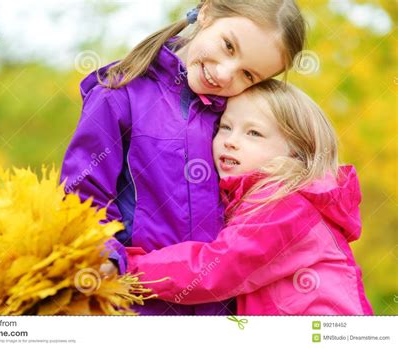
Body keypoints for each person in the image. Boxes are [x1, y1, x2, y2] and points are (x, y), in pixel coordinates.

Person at [61, 0, 306, 315]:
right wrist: (105, 256)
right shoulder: (119, 94)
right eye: (228, 46)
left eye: (248, 75)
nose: (224, 74)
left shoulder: (234, 118)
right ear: (206, 12)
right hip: (138, 308)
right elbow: (81, 194)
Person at [127, 80, 374, 315]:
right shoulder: (263, 198)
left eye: (254, 133)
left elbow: (218, 268)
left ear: (297, 151)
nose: (231, 141)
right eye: (225, 127)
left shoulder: (287, 204)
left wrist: (128, 269)